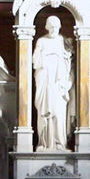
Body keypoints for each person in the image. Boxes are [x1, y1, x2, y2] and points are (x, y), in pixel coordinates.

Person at [32, 15, 73, 151]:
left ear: (59, 27)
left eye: (56, 26)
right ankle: (43, 143)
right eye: (51, 26)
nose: (54, 29)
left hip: (58, 83)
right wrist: (50, 55)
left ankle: (60, 142)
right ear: (47, 27)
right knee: (44, 112)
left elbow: (69, 62)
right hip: (45, 80)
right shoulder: (41, 41)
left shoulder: (63, 41)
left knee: (59, 112)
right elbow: (35, 61)